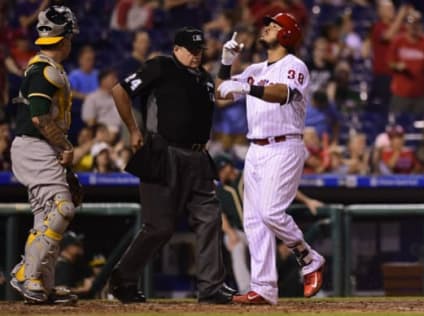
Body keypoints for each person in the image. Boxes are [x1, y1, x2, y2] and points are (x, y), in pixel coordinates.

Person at [109, 26, 236, 304]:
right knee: (159, 227)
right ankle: (123, 278)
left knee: (210, 216)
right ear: (176, 49)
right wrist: (133, 129)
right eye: (191, 50)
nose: (196, 55)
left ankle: (211, 286)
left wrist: (226, 63)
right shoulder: (161, 66)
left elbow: (223, 95)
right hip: (164, 153)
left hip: (199, 157)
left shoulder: (202, 77)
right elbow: (119, 90)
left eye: (199, 50)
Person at [216, 12, 326, 304]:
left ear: (287, 34)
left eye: (274, 25)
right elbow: (220, 94)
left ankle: (308, 256)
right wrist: (226, 63)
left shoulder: (295, 65)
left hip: (284, 145)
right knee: (254, 221)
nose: (266, 28)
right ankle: (264, 288)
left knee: (271, 213)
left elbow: (283, 94)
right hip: (256, 149)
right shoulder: (254, 68)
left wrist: (246, 86)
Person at [8, 5, 80, 304]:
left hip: (40, 146)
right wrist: (65, 146)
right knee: (62, 208)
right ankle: (27, 272)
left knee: (45, 215)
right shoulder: (44, 69)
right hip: (34, 144)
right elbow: (39, 116)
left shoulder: (47, 67)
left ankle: (43, 284)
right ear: (64, 39)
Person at [214, 154, 324, 294]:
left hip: (265, 231)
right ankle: (246, 289)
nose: (219, 176)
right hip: (243, 233)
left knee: (288, 255)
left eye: (220, 171)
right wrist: (230, 233)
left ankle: (313, 286)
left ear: (227, 167)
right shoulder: (220, 190)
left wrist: (307, 201)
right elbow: (221, 216)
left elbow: (282, 187)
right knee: (235, 245)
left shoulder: (250, 176)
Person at [55, 231, 94, 297]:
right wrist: (83, 289)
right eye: (76, 244)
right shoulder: (62, 265)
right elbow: (60, 290)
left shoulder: (75, 264)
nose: (80, 246)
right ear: (67, 247)